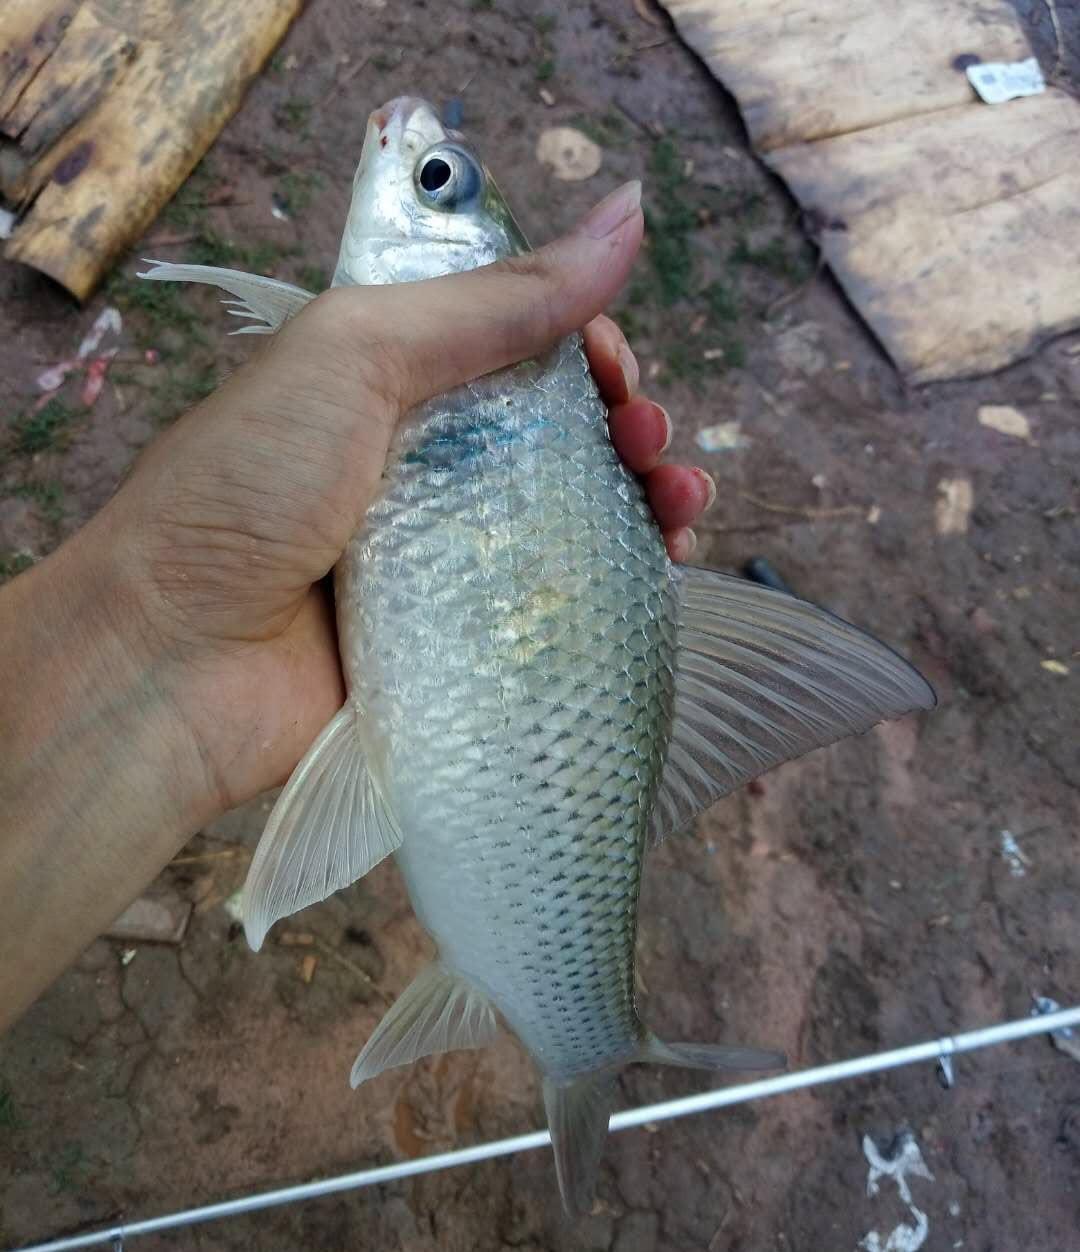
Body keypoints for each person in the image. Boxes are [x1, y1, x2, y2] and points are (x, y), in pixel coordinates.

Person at [0, 187, 715, 1030]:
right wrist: (155, 636)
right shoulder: (369, 357)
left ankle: (579, 1037)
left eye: (434, 179)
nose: (394, 134)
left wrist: (155, 646)